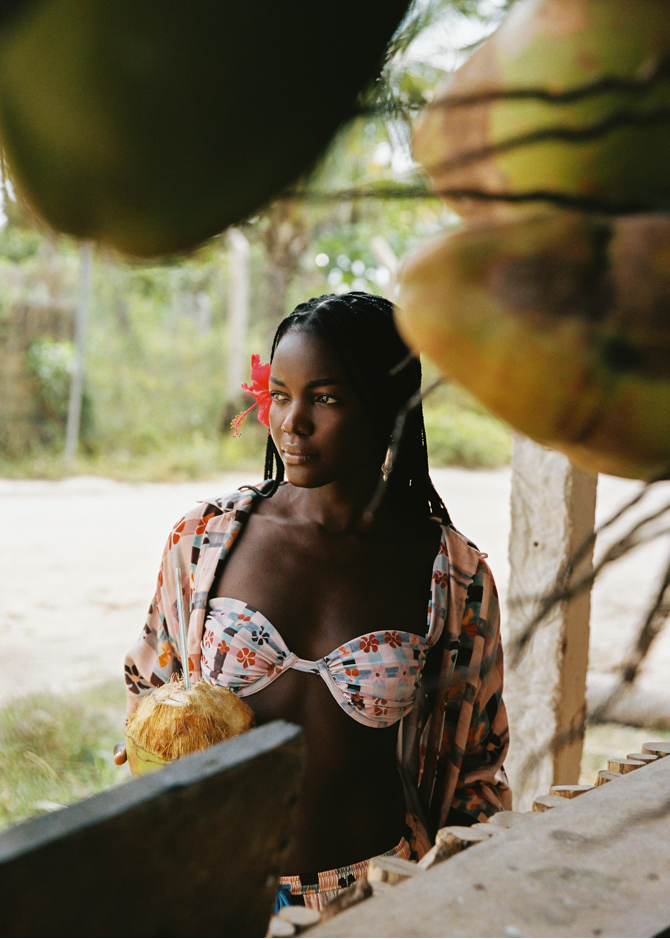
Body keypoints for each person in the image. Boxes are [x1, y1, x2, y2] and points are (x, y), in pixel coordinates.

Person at [118, 292, 511, 910]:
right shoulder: (206, 540)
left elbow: (476, 769)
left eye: (325, 398)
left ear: (389, 408)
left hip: (373, 897)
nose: (292, 421)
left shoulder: (452, 576)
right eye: (279, 394)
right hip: (213, 884)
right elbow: (152, 682)